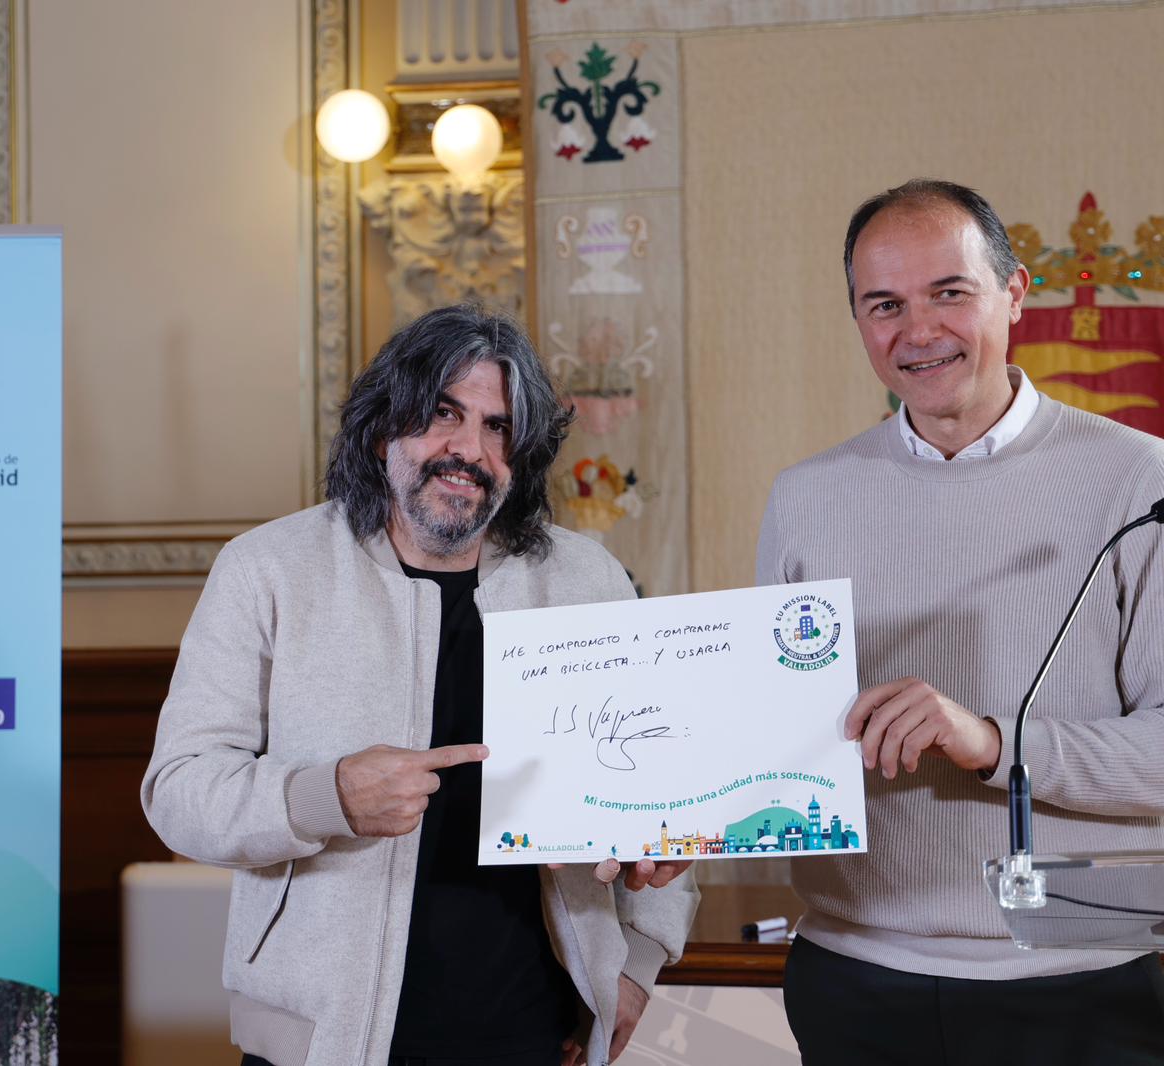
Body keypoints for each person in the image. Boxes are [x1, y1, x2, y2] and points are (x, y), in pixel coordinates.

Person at [143, 305, 697, 1066]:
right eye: (443, 414)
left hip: (531, 1033)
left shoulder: (586, 579)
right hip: (319, 1042)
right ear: (382, 430)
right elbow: (179, 789)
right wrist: (329, 796)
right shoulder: (267, 570)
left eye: (499, 428)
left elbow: (666, 782)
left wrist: (634, 965)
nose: (469, 449)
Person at [757, 179, 1164, 1064]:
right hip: (852, 975)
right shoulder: (804, 497)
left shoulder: (1141, 482)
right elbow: (779, 745)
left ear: (1015, 293)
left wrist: (990, 742)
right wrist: (670, 823)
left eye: (950, 292)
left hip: (1083, 982)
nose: (919, 331)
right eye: (885, 305)